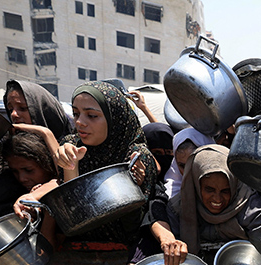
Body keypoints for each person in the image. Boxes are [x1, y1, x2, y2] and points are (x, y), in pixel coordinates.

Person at [14, 81, 157, 245]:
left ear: (114, 118)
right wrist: (70, 166)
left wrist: (134, 185)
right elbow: (74, 215)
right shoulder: (70, 146)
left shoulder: (136, 157)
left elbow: (136, 225)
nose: (80, 122)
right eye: (76, 114)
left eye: (92, 115)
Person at [163, 127, 213, 198]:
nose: (188, 171)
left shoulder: (227, 187)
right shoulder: (171, 197)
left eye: (194, 164)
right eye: (182, 166)